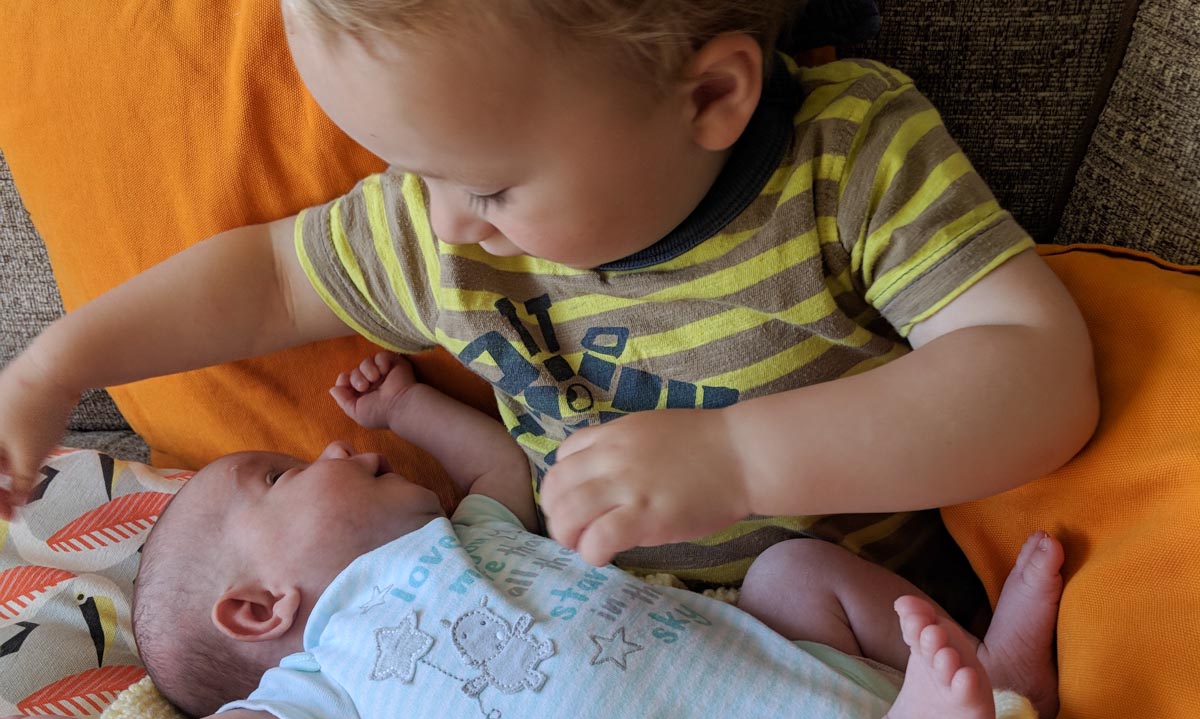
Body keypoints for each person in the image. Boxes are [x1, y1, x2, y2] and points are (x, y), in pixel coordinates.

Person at [0, 0, 1098, 589]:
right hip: (579, 647)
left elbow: (1038, 374)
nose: (434, 223)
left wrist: (744, 461)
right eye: (410, 173)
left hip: (834, 652)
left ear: (710, 94)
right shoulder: (447, 236)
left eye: (483, 185)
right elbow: (274, 275)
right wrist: (62, 364)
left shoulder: (848, 160)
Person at [0, 353, 1065, 719]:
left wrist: (416, 405)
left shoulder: (469, 536)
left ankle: (995, 687)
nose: (327, 444)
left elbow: (506, 476)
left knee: (788, 569)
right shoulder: (312, 711)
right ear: (257, 611)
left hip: (834, 696)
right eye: (277, 476)